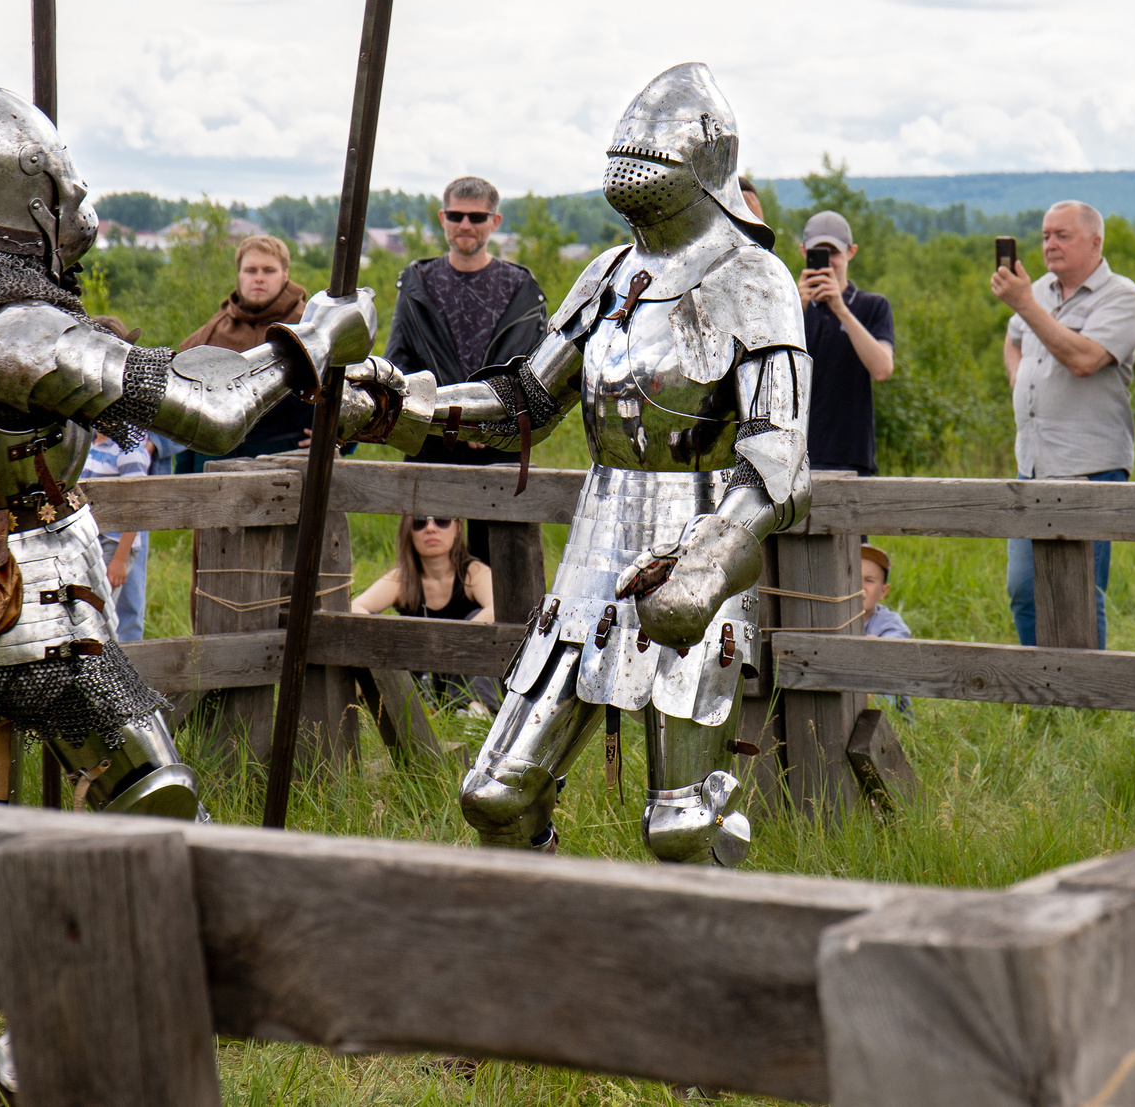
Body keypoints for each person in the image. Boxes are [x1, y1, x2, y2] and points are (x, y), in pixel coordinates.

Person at [0, 86, 408, 1104]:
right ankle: (28, 1047)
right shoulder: (17, 330)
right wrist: (315, 339)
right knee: (153, 791)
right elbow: (209, 408)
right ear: (30, 204)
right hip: (36, 597)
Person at [372, 63, 812, 865]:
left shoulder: (754, 278)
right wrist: (408, 406)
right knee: (495, 795)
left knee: (681, 826)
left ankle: (710, 966)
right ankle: (540, 951)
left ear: (702, 169)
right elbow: (523, 400)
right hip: (592, 559)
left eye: (654, 153)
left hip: (695, 542)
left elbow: (780, 459)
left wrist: (708, 566)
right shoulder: (609, 275)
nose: (632, 165)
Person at [992, 201, 1135, 647]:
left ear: (1095, 242)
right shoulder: (1037, 289)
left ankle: (1083, 697)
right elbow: (1013, 337)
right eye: (1045, 236)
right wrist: (1018, 376)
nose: (1050, 244)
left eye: (1063, 235)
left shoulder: (1121, 295)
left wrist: (1024, 302)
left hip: (1090, 465)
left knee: (1080, 592)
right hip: (1034, 464)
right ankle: (1040, 689)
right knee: (1023, 589)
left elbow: (1085, 359)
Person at [383, 176, 549, 562]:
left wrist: (487, 423)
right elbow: (399, 368)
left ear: (495, 221)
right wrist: (448, 422)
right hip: (431, 442)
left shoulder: (521, 287)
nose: (465, 225)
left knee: (503, 567)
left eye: (477, 217)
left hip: (499, 446)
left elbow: (535, 376)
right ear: (442, 218)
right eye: (456, 215)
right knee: (430, 570)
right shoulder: (418, 282)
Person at [176, 234, 312, 459]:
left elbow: (347, 394)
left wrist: (335, 437)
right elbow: (186, 415)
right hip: (214, 466)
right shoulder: (211, 334)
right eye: (251, 270)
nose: (259, 278)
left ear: (285, 275)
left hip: (288, 464)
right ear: (239, 275)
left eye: (269, 270)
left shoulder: (307, 328)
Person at [351, 512, 498, 710]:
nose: (430, 528)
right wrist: (395, 640)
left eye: (442, 520)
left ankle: (477, 713)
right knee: (373, 623)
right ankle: (365, 705)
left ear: (457, 527)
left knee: (481, 623)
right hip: (418, 677)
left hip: (465, 671)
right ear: (409, 532)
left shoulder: (473, 573)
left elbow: (497, 609)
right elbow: (355, 607)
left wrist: (449, 643)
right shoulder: (402, 578)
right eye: (419, 522)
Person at [797, 210, 895, 476]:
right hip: (794, 457)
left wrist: (841, 309)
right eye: (819, 253)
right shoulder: (789, 306)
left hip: (852, 457)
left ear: (851, 252)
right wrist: (795, 307)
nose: (828, 263)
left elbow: (882, 369)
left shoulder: (873, 306)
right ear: (803, 251)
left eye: (835, 254)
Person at [79, 317, 154, 644]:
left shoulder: (129, 444)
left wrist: (122, 558)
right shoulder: (86, 440)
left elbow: (136, 502)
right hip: (90, 536)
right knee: (87, 612)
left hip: (113, 541)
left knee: (107, 615)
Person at [859, 543, 909, 639]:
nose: (860, 587)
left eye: (869, 580)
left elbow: (898, 641)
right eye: (853, 579)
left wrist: (878, 645)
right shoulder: (832, 617)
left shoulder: (889, 622)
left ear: (883, 592)